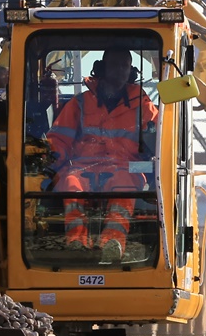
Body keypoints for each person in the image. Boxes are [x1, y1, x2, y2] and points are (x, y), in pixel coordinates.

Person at [45, 48, 158, 263]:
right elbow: (58, 139)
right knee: (69, 183)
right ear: (101, 68)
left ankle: (112, 244)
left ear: (131, 71)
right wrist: (49, 166)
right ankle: (76, 243)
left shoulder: (144, 106)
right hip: (82, 166)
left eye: (124, 65)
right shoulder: (80, 103)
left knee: (125, 184)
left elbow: (162, 137)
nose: (120, 70)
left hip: (126, 166)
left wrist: (155, 164)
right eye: (115, 64)